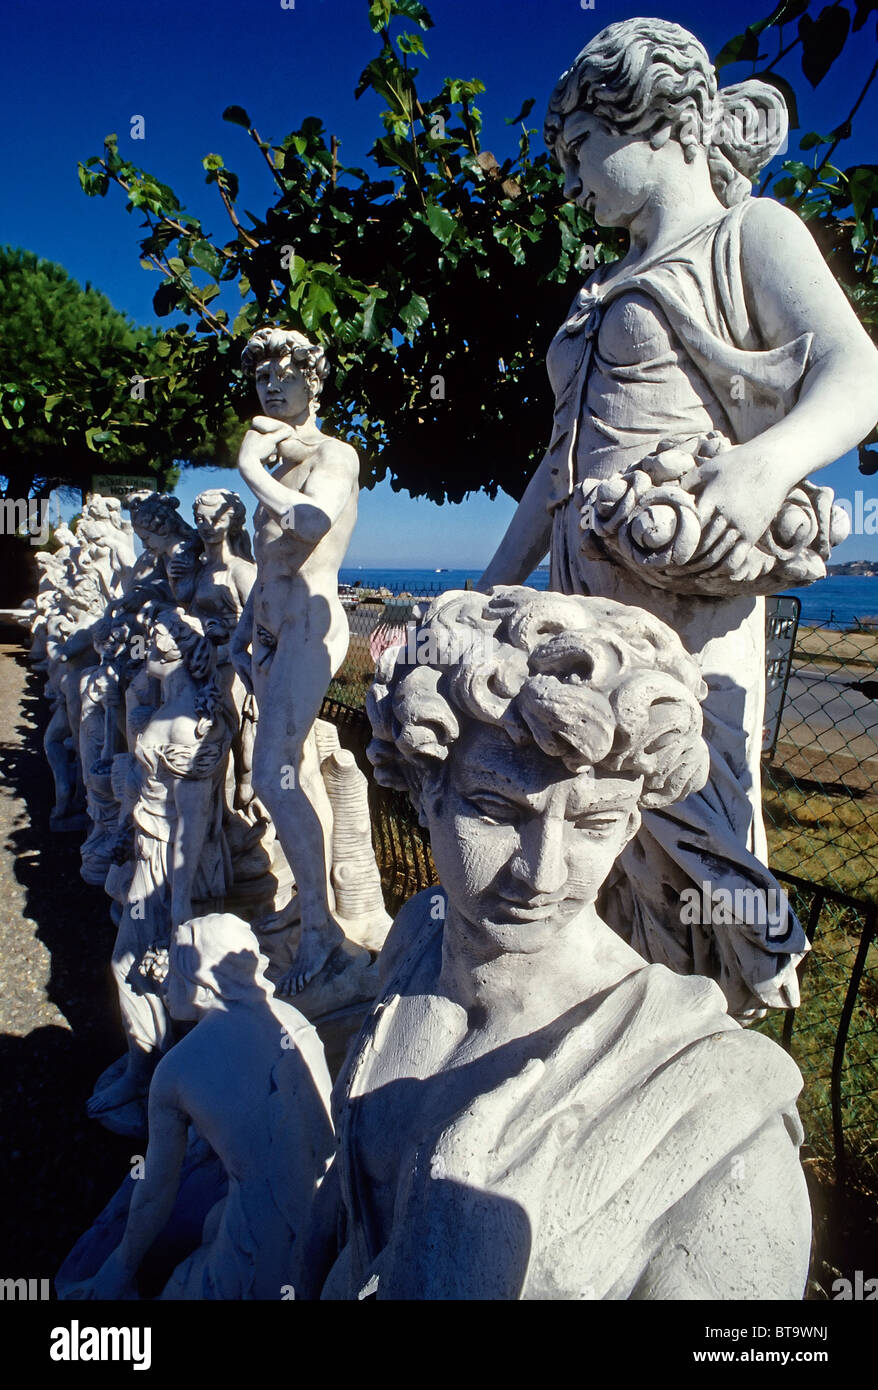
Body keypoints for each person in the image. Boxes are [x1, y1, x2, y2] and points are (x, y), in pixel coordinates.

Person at [478, 18, 878, 1017]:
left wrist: (763, 464)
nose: (573, 179)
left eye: (579, 150)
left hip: (683, 604)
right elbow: (555, 462)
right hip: (579, 620)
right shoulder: (595, 287)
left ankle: (721, 1049)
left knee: (691, 829)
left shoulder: (748, 235)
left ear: (656, 120)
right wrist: (494, 581)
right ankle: (612, 1056)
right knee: (592, 841)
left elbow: (857, 370)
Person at [302, 587, 811, 1301]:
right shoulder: (418, 945)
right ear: (423, 791)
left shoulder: (719, 1122)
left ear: (634, 823)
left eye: (597, 823)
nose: (541, 874)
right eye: (496, 810)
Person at [64, 913, 334, 1300]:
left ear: (204, 987)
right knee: (212, 1215)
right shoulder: (294, 1022)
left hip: (261, 1250)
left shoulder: (176, 1070)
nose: (165, 982)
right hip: (329, 1224)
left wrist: (121, 1265)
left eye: (175, 970)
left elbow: (156, 1191)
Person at [232, 328, 359, 992]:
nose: (271, 386)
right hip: (271, 632)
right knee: (293, 774)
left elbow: (310, 527)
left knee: (274, 774)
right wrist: (246, 624)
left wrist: (250, 470)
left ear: (313, 381)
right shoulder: (278, 468)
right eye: (261, 380)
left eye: (285, 375)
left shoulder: (335, 455)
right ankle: (325, 907)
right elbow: (271, 561)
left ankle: (322, 931)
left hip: (314, 627)